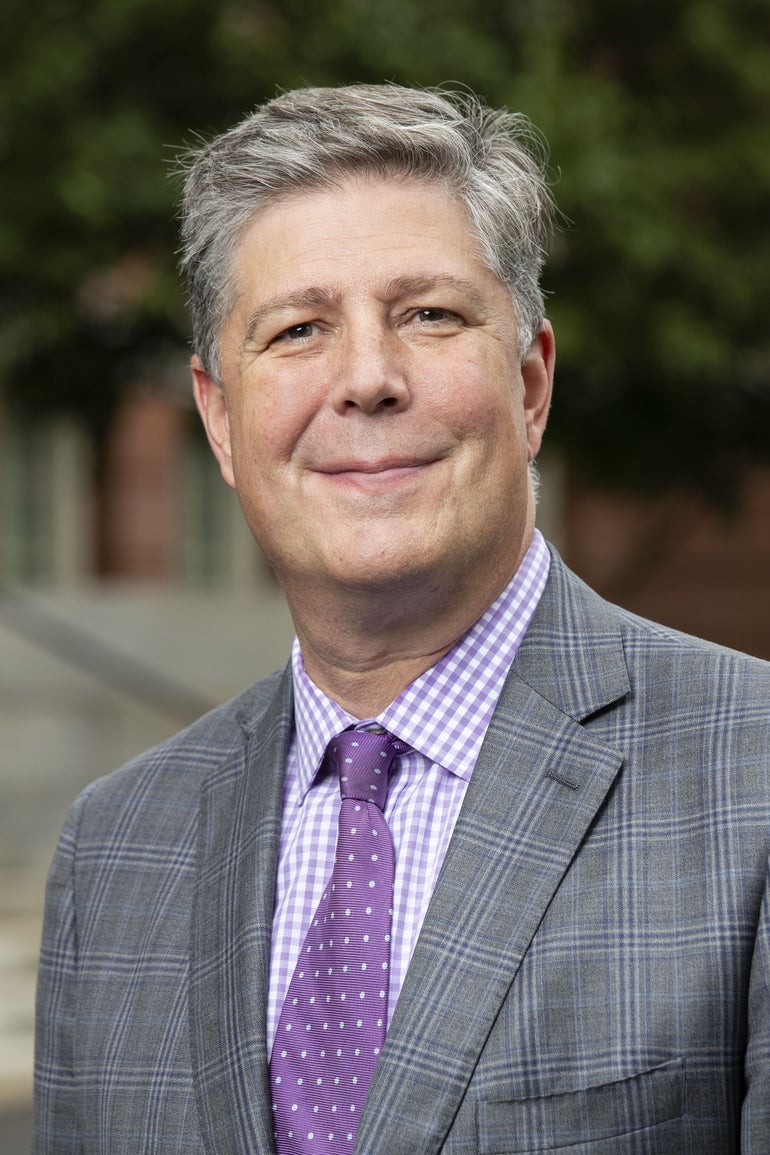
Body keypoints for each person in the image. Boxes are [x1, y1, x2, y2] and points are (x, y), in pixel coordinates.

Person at [34, 84, 770, 1154]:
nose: (366, 379)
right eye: (298, 330)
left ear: (527, 385)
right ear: (220, 420)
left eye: (428, 315)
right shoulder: (116, 850)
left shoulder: (751, 782)